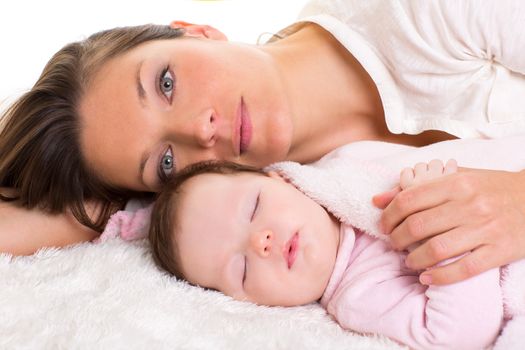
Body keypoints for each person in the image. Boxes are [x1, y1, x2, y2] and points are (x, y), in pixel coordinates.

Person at [1, 1, 525, 285]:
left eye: (165, 83)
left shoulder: (420, 13)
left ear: (196, 30)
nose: (199, 130)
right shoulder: (301, 196)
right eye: (165, 161)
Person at [147, 157, 506, 350]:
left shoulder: (354, 169)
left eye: (255, 207)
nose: (261, 242)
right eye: (241, 268)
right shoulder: (359, 296)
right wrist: (445, 228)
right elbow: (456, 334)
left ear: (281, 178)